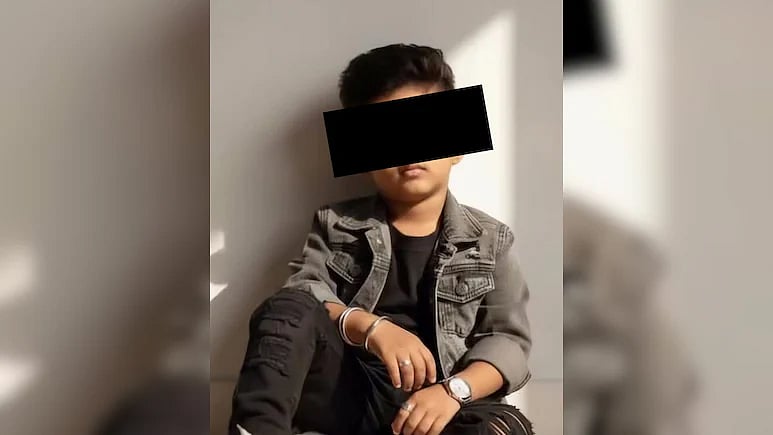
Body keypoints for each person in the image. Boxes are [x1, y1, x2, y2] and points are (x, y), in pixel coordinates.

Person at [229, 43, 534, 435]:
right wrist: (372, 328)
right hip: (351, 397)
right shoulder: (336, 224)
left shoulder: (491, 239)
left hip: (447, 409)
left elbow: (509, 342)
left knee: (503, 428)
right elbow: (303, 292)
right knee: (288, 306)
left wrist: (452, 391)